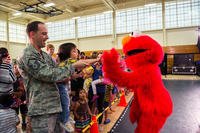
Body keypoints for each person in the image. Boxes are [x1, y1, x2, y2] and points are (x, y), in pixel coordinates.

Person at [17, 21, 97, 133]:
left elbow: (58, 71)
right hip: (41, 111)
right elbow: (48, 74)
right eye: (43, 34)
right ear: (32, 34)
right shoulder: (27, 55)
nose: (47, 37)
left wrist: (75, 73)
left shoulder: (45, 56)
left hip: (55, 107)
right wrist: (72, 66)